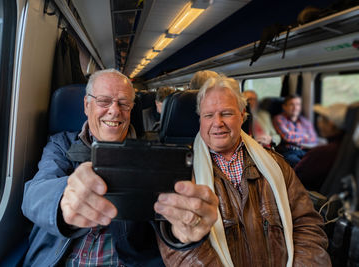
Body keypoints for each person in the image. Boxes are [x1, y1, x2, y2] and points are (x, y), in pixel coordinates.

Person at [21, 69, 219, 266]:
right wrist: (65, 198)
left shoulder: (152, 154)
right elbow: (34, 194)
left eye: (123, 103)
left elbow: (165, 220)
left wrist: (182, 230)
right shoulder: (61, 144)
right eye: (103, 101)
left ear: (131, 109)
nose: (115, 110)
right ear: (86, 105)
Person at [156, 75, 331, 266]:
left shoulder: (277, 166)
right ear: (200, 120)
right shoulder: (180, 176)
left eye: (227, 113)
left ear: (242, 114)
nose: (217, 122)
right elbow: (179, 253)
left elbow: (306, 224)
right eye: (208, 115)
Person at [295, 103, 348, 191]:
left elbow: (296, 177)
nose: (319, 122)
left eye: (322, 119)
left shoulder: (322, 153)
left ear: (331, 125)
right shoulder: (347, 148)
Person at [273, 94, 318, 167]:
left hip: (305, 151)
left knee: (318, 162)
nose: (295, 108)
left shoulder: (304, 121)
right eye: (291, 104)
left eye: (298, 104)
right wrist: (305, 135)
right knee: (301, 165)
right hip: (289, 151)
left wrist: (296, 137)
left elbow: (313, 139)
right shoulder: (279, 119)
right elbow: (288, 137)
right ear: (284, 107)